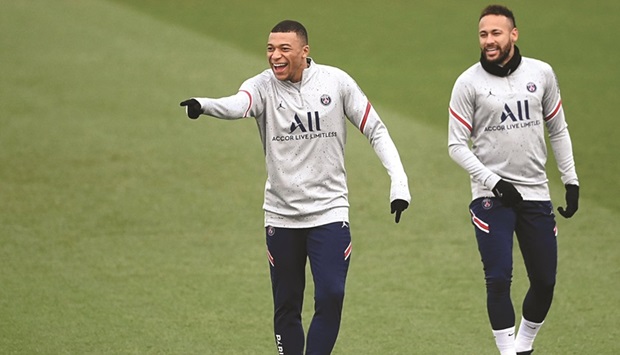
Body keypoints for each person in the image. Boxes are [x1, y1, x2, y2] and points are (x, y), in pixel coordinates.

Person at [180, 20, 411, 354]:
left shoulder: (336, 81)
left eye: (284, 49)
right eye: (271, 48)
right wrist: (204, 105)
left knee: (331, 295)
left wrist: (399, 183)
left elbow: (375, 129)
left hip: (329, 212)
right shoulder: (261, 86)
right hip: (281, 216)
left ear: (305, 51)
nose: (275, 56)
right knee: (287, 306)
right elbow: (238, 104)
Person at [447, 5, 579, 355]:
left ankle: (524, 346)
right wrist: (493, 181)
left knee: (545, 282)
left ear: (513, 34)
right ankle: (507, 352)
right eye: (483, 34)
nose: (488, 41)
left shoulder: (542, 74)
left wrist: (571, 180)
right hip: (491, 197)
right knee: (499, 278)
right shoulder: (468, 82)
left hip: (535, 192)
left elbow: (558, 129)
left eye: (495, 33)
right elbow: (455, 145)